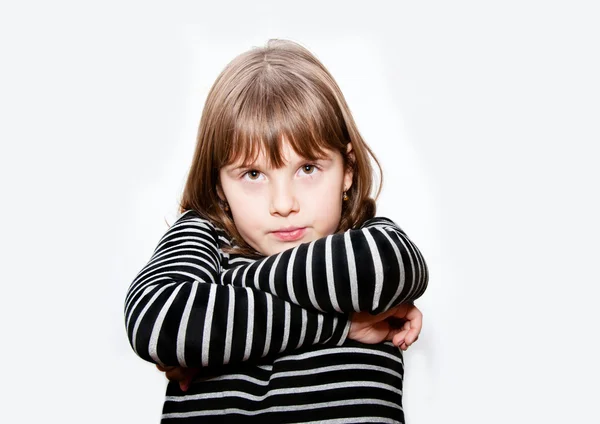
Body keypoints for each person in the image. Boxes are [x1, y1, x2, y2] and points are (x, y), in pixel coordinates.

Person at [125, 39, 429, 423]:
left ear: (348, 170)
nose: (283, 203)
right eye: (253, 174)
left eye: (307, 169)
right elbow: (160, 320)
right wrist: (345, 323)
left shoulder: (366, 236)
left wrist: (226, 295)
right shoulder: (205, 238)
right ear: (219, 184)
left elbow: (383, 265)